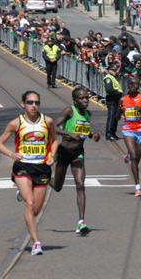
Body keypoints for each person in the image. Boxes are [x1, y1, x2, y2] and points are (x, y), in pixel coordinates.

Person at [0, 91, 59, 256]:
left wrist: (52, 155)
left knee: (36, 210)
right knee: (29, 204)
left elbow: (55, 140)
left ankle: (22, 192)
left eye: (36, 103)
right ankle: (36, 242)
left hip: (42, 167)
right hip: (23, 167)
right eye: (30, 102)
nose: (33, 106)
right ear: (23, 104)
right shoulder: (16, 123)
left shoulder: (48, 121)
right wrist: (11, 154)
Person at [52, 87, 102, 234]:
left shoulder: (88, 114)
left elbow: (85, 131)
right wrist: (69, 134)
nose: (86, 100)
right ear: (75, 100)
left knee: (80, 185)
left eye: (87, 98)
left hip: (77, 154)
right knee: (57, 187)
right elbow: (53, 127)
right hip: (63, 152)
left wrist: (93, 136)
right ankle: (40, 177)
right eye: (82, 98)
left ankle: (81, 221)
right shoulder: (69, 111)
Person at [103, 64, 123, 140]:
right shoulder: (108, 78)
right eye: (113, 70)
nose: (115, 72)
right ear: (109, 70)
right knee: (111, 117)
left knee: (115, 117)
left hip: (116, 99)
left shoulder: (113, 77)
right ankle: (109, 134)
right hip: (112, 99)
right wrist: (118, 93)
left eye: (116, 70)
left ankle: (113, 133)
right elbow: (109, 89)